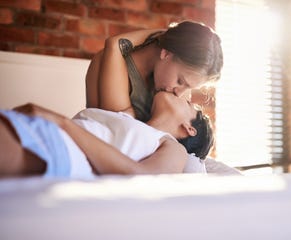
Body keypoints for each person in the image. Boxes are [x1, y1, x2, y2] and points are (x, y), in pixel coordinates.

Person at [0, 92, 213, 178]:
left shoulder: (175, 148)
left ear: (189, 128)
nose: (179, 93)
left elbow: (141, 176)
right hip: (43, 128)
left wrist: (63, 123)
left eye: (187, 103)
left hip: (59, 149)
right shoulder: (129, 118)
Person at [86, 20, 223, 122]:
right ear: (167, 53)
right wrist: (166, 34)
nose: (179, 94)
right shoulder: (110, 60)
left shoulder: (178, 87)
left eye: (189, 87)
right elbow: (119, 130)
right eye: (180, 81)